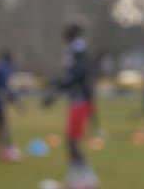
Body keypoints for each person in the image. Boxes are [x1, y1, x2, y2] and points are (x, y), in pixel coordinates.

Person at [42, 23, 99, 189]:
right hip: (77, 100)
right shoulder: (75, 51)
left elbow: (75, 77)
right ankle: (79, 179)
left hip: (81, 101)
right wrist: (57, 87)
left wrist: (55, 92)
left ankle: (86, 179)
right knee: (71, 141)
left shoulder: (78, 51)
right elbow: (71, 77)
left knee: (73, 140)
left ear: (70, 35)